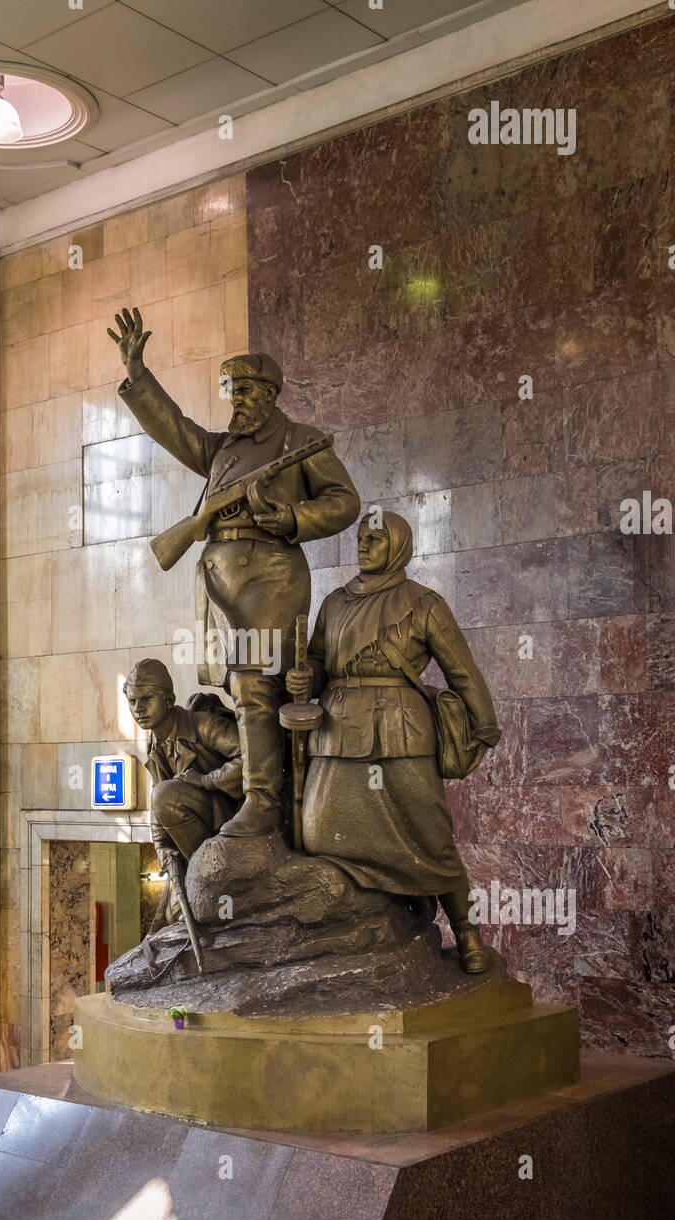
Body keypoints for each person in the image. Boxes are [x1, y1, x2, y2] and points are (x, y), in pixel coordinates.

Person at [109, 307, 359, 838]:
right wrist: (138, 375)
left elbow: (345, 503)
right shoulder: (225, 449)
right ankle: (260, 785)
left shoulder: (298, 442)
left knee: (251, 680)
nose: (236, 402)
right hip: (221, 587)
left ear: (270, 395)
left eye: (245, 393)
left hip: (270, 576)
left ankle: (264, 800)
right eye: (231, 393)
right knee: (240, 683)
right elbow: (173, 430)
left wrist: (292, 516)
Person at [286, 510, 502, 973]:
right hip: (337, 732)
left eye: (376, 539)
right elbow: (320, 661)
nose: (364, 545)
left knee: (431, 836)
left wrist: (484, 725)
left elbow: (462, 670)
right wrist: (306, 678)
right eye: (361, 537)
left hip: (400, 732)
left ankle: (467, 932)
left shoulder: (423, 603)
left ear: (399, 545)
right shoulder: (335, 603)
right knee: (321, 833)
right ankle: (358, 928)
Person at [123, 659, 242, 869]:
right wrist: (162, 848)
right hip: (198, 822)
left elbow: (252, 759)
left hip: (230, 815)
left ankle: (208, 868)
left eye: (146, 699)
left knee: (164, 796)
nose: (138, 709)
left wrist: (205, 781)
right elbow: (155, 798)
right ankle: (201, 870)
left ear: (169, 700)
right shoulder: (153, 744)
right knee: (161, 795)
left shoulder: (203, 725)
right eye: (132, 701)